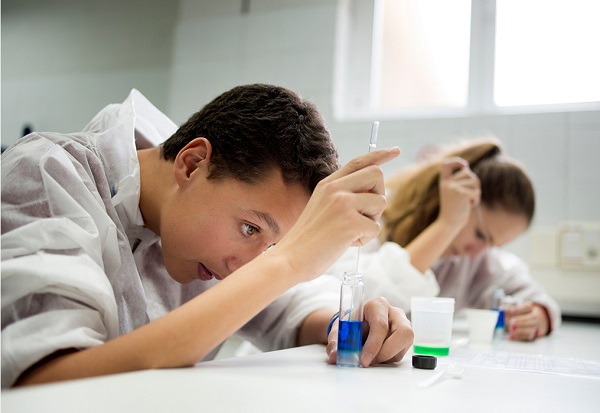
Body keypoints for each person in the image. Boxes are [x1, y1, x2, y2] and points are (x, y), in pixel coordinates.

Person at [1, 84, 413, 388]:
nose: (247, 268)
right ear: (193, 163)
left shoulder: (198, 228)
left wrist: (353, 323)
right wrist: (287, 261)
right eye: (251, 228)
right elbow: (46, 383)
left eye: (271, 245)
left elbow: (289, 309)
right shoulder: (46, 173)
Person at [327, 137, 560, 342]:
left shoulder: (475, 260)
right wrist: (446, 225)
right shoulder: (380, 214)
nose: (478, 251)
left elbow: (536, 296)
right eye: (480, 235)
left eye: (491, 245)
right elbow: (351, 297)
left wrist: (539, 316)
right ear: (453, 197)